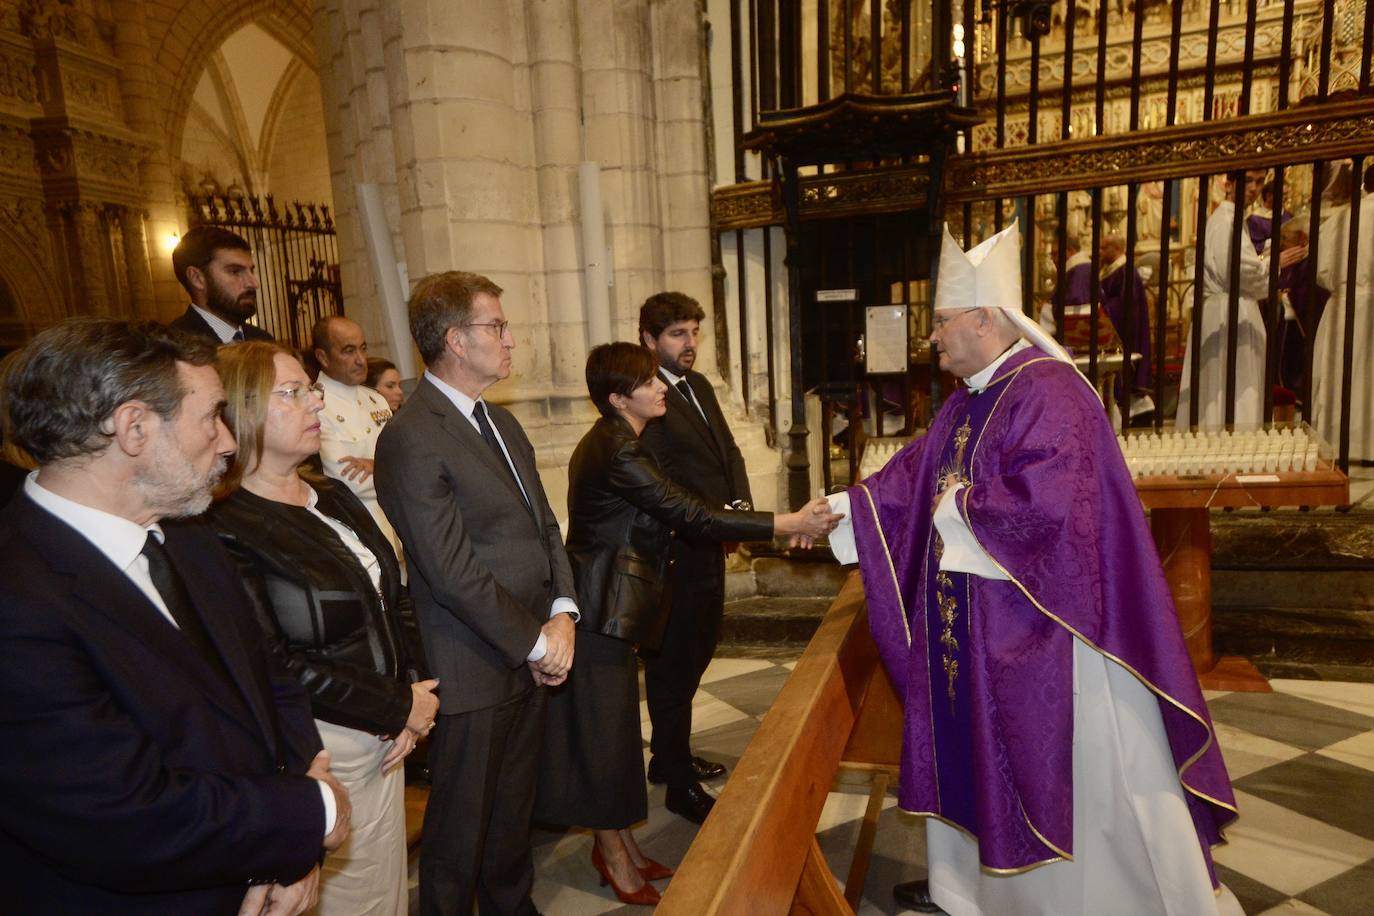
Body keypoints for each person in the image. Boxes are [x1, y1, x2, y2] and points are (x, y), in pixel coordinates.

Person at [827, 223, 1240, 916]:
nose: (932, 337)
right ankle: (974, 895)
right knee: (980, 760)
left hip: (1053, 645)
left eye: (941, 322)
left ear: (984, 319)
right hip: (982, 642)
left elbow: (1048, 509)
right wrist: (839, 510)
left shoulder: (1052, 394)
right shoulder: (968, 399)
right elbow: (910, 475)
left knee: (1073, 782)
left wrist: (956, 504)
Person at [0, 319, 349, 914]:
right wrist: (316, 813)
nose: (230, 441)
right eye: (211, 416)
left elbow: (267, 678)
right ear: (134, 427)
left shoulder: (185, 535)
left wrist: (290, 851)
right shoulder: (19, 599)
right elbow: (121, 819)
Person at [534, 342, 841, 905]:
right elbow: (690, 512)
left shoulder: (624, 440)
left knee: (618, 734)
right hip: (601, 608)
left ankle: (620, 846)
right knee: (604, 740)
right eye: (649, 382)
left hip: (616, 606)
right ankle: (612, 853)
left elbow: (685, 509)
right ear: (617, 397)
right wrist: (788, 521)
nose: (661, 388)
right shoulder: (617, 450)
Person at [204, 341, 438, 916]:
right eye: (293, 392)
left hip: (389, 732)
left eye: (311, 389)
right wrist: (394, 705)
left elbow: (394, 594)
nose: (314, 402)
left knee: (385, 896)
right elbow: (273, 660)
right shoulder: (222, 524)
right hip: (320, 746)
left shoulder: (330, 493)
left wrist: (415, 693)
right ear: (242, 409)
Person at [375, 271, 577, 916]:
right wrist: (534, 642)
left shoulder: (502, 423)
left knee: (512, 812)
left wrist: (564, 613)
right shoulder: (412, 435)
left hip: (528, 648)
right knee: (459, 833)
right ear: (457, 340)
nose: (510, 338)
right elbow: (450, 568)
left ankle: (513, 907)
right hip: (471, 659)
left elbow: (546, 526)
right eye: (496, 326)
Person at [637, 291, 753, 824]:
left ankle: (670, 756)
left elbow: (727, 451)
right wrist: (719, 518)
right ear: (649, 340)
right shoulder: (648, 394)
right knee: (673, 666)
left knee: (699, 652)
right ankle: (675, 776)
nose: (690, 344)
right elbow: (666, 477)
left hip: (712, 538)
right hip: (679, 549)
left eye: (694, 332)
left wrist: (741, 507)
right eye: (677, 334)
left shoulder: (700, 385)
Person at [1177, 169, 1305, 430]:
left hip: (1229, 309)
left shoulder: (1234, 219)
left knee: (1227, 387)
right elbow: (1239, 272)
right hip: (1229, 313)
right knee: (1231, 387)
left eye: (1259, 182)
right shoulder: (1227, 220)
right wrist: (1273, 264)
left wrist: (1265, 262)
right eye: (1248, 181)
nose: (1254, 188)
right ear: (1228, 183)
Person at [312, 315, 401, 558]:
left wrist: (375, 467)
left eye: (363, 348)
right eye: (349, 351)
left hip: (399, 527)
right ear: (322, 357)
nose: (361, 360)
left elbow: (411, 462)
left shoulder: (376, 399)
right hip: (361, 536)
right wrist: (393, 470)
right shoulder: (316, 405)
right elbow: (350, 484)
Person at [1312, 162, 1374, 461]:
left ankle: (1338, 442)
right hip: (1368, 303)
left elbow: (1321, 271)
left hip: (1340, 305)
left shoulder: (1340, 218)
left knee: (1340, 375)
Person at [168, 226, 273, 343]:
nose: (254, 283)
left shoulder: (263, 340)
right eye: (235, 271)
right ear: (197, 279)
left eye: (251, 271)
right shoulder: (172, 348)